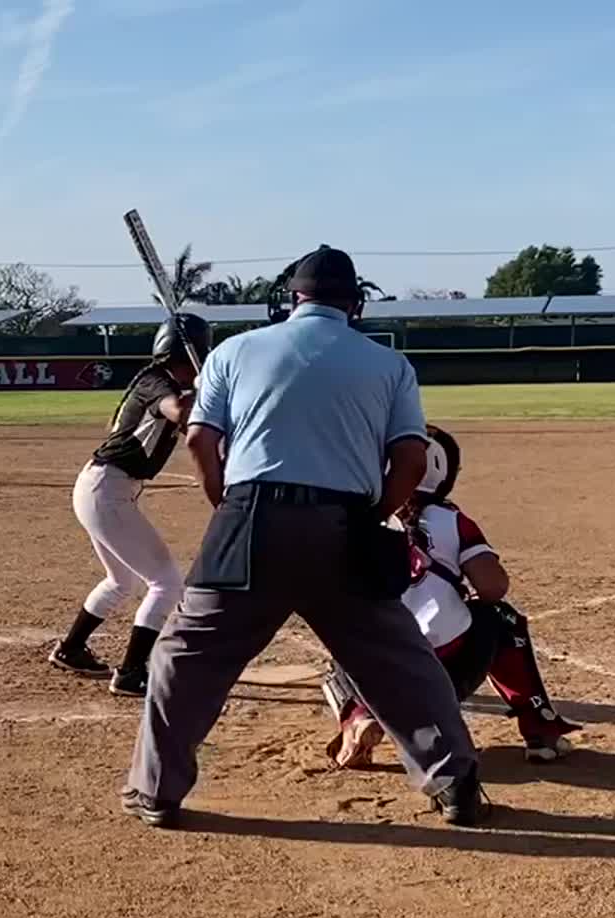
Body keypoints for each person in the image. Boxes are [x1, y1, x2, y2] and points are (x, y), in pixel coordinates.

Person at [120, 246, 487, 829]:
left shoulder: (234, 351)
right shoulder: (388, 364)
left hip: (251, 517)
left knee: (184, 658)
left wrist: (226, 502)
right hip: (346, 524)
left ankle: (157, 792)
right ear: (354, 302)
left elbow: (197, 441)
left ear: (292, 299)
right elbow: (412, 461)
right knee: (399, 661)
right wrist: (374, 515)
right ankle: (455, 783)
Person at [320, 425, 582, 769]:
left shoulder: (360, 520)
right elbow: (493, 588)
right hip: (445, 676)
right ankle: (540, 731)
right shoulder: (454, 520)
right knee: (500, 617)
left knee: (346, 625)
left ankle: (359, 714)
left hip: (379, 674)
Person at [50, 314, 206, 697]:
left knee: (122, 580)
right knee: (166, 582)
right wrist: (203, 393)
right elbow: (179, 413)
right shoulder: (158, 382)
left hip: (104, 487)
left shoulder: (160, 379)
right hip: (108, 489)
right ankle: (132, 672)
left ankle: (71, 649)